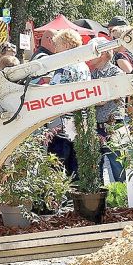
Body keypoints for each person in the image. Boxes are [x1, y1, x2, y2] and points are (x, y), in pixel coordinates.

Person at [45, 29, 91, 176]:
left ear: (65, 45)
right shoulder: (84, 67)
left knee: (56, 169)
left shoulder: (64, 68)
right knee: (74, 169)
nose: (55, 49)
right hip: (79, 122)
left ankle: (56, 199)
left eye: (57, 45)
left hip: (61, 125)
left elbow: (53, 93)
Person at [86, 39, 126, 183]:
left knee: (117, 164)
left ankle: (122, 197)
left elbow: (104, 99)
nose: (89, 57)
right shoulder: (92, 74)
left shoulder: (116, 74)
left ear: (102, 54)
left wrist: (86, 100)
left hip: (113, 125)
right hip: (96, 124)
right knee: (95, 166)